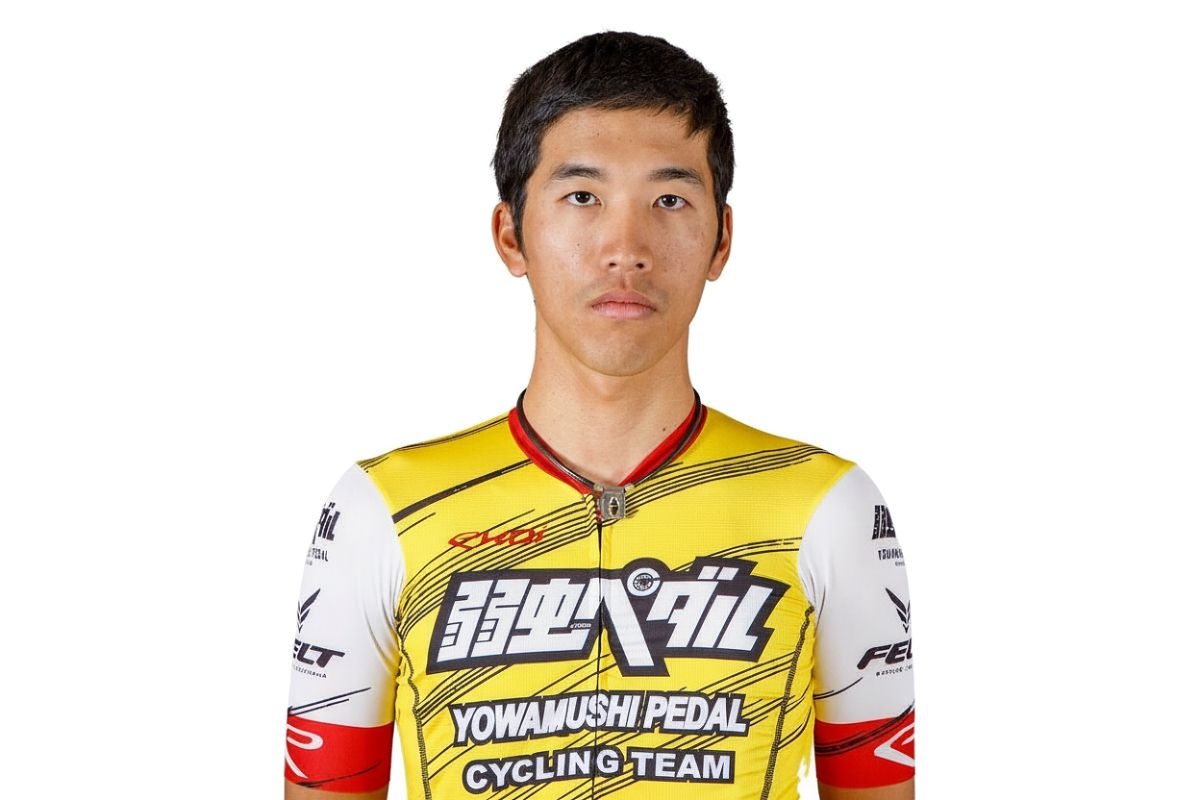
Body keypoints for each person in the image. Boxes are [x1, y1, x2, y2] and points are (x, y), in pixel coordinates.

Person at [284, 31, 915, 800]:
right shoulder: (380, 511)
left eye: (670, 200)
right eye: (582, 197)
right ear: (511, 235)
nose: (626, 248)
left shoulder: (828, 507)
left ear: (721, 240)